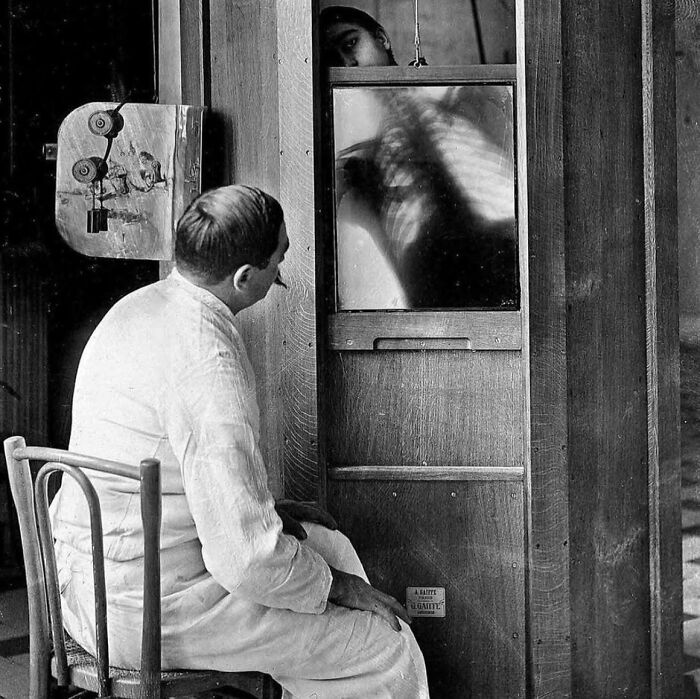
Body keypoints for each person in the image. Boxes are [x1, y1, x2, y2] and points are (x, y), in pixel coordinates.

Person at [49, 184, 429, 698]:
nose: (280, 275)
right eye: (279, 262)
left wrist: (270, 511)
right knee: (385, 643)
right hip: (146, 610)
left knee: (329, 545)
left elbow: (183, 479)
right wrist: (344, 590)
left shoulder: (138, 307)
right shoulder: (208, 363)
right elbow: (245, 559)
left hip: (84, 579)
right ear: (245, 278)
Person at [320, 6, 519, 310]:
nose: (348, 62)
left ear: (382, 39)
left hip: (503, 251)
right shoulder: (356, 148)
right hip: (431, 281)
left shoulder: (462, 98)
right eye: (334, 59)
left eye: (350, 43)